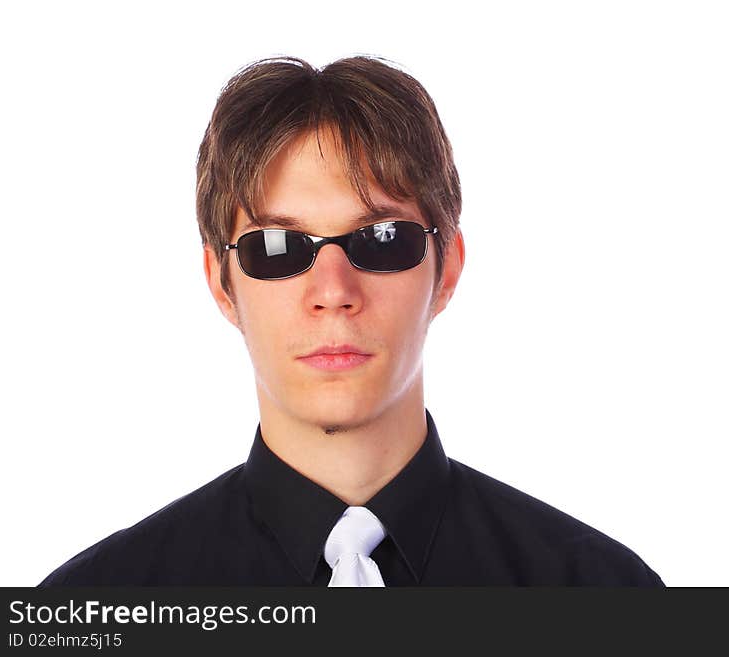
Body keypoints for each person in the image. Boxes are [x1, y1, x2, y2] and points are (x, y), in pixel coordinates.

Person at [40, 55, 663, 586]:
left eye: (382, 238)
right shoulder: (93, 607)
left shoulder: (604, 593)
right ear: (221, 283)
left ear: (446, 268)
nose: (332, 292)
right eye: (278, 249)